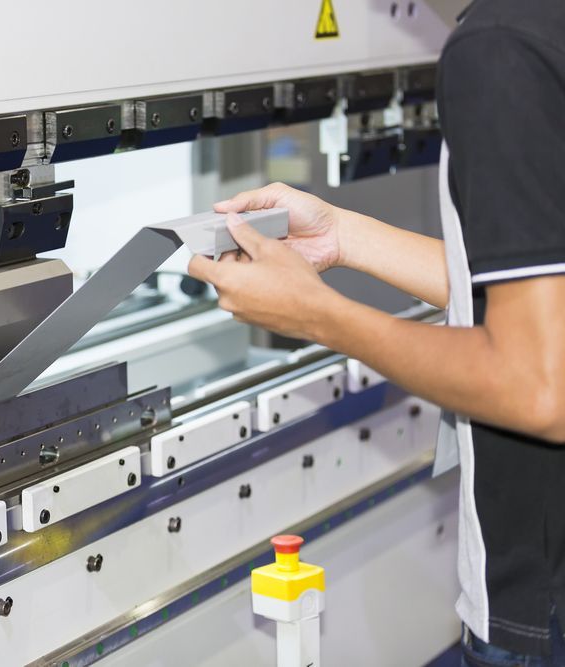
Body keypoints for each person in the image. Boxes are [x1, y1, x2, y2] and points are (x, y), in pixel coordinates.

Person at [187, 1, 565, 664]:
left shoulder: (497, 47)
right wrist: (343, 236)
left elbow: (539, 385)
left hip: (545, 603)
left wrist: (318, 314)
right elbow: (540, 300)